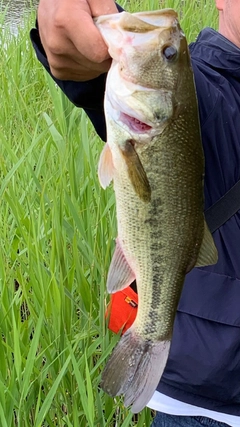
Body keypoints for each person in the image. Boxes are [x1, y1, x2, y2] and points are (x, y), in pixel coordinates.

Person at [30, 1, 240, 426]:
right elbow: (122, 77)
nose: (164, 52)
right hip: (204, 405)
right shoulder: (199, 89)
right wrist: (83, 32)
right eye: (167, 54)